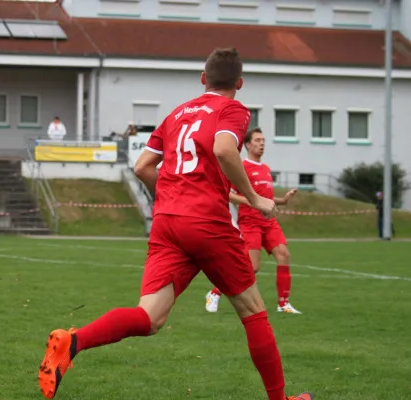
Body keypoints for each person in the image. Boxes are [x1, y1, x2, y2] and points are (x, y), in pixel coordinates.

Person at [37, 48, 312, 400]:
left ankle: (72, 342)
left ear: (203, 79)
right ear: (239, 83)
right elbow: (226, 149)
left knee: (149, 317)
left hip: (168, 224)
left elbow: (142, 167)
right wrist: (256, 200)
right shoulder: (233, 109)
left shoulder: (177, 113)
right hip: (207, 223)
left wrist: (168, 198)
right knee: (254, 312)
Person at [205, 128, 301, 314]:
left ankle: (283, 304)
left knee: (284, 255)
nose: (262, 143)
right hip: (250, 222)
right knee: (252, 267)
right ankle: (214, 293)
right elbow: (227, 194)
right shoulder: (241, 167)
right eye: (257, 140)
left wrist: (283, 200)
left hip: (269, 222)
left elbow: (265, 197)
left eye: (263, 140)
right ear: (248, 145)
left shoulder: (266, 169)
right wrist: (251, 202)